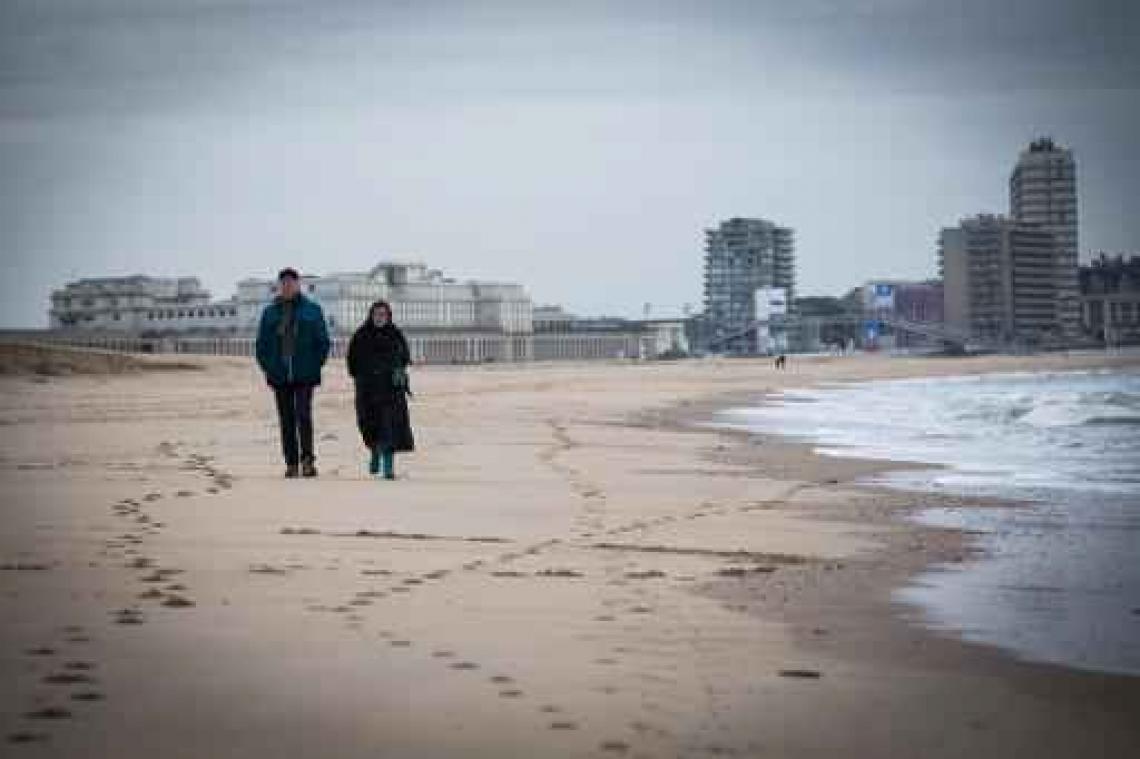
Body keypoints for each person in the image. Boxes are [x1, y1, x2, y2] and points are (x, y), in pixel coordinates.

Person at [255, 268, 331, 478]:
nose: (287, 286)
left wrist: (316, 364)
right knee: (286, 419)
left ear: (298, 285)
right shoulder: (270, 312)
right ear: (279, 286)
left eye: (291, 282)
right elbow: (261, 345)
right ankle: (291, 463)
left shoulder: (312, 310)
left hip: (305, 373)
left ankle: (308, 460)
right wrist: (268, 367)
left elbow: (323, 341)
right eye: (284, 283)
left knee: (303, 416)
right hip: (279, 375)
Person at [346, 300, 415, 480]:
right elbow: (351, 362)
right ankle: (374, 452)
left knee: (389, 428)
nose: (380, 317)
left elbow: (405, 357)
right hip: (367, 391)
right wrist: (361, 378)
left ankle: (389, 467)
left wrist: (398, 371)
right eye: (377, 314)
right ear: (371, 315)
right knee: (368, 426)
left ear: (388, 316)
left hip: (391, 390)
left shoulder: (396, 334)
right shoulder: (361, 335)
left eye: (383, 314)